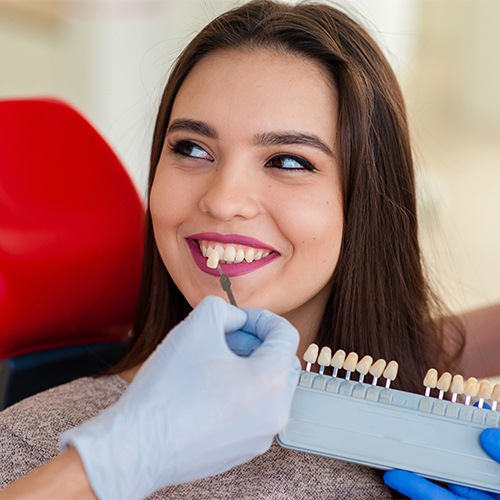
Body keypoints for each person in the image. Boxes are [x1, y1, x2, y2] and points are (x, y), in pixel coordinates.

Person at [2, 0, 487, 497]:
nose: (222, 200)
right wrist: (117, 458)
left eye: (287, 161)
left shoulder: (442, 441)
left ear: (365, 201)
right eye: (191, 148)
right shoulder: (29, 448)